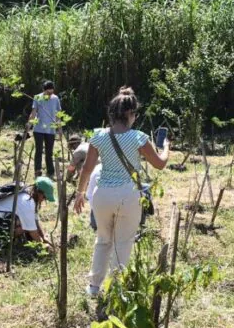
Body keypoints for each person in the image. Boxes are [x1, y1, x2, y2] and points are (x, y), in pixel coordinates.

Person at [73, 86, 170, 297]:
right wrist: (166, 148)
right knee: (123, 242)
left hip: (102, 195)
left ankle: (94, 287)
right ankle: (115, 288)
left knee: (103, 240)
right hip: (128, 195)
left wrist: (80, 194)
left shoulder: (98, 136)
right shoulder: (139, 138)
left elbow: (87, 169)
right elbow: (160, 164)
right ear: (130, 114)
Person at [0, 176, 56, 250]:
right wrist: (42, 247)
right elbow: (32, 230)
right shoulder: (27, 202)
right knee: (25, 225)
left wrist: (43, 236)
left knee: (26, 223)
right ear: (39, 192)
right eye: (44, 197)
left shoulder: (28, 193)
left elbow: (35, 220)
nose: (43, 200)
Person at [28, 80, 62, 178]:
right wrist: (29, 124)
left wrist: (59, 129)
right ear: (44, 90)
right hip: (38, 129)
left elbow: (58, 115)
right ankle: (37, 171)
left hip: (50, 130)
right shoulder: (37, 97)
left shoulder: (56, 99)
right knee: (38, 150)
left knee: (49, 152)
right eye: (48, 92)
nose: (50, 94)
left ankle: (50, 172)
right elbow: (34, 112)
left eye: (51, 92)